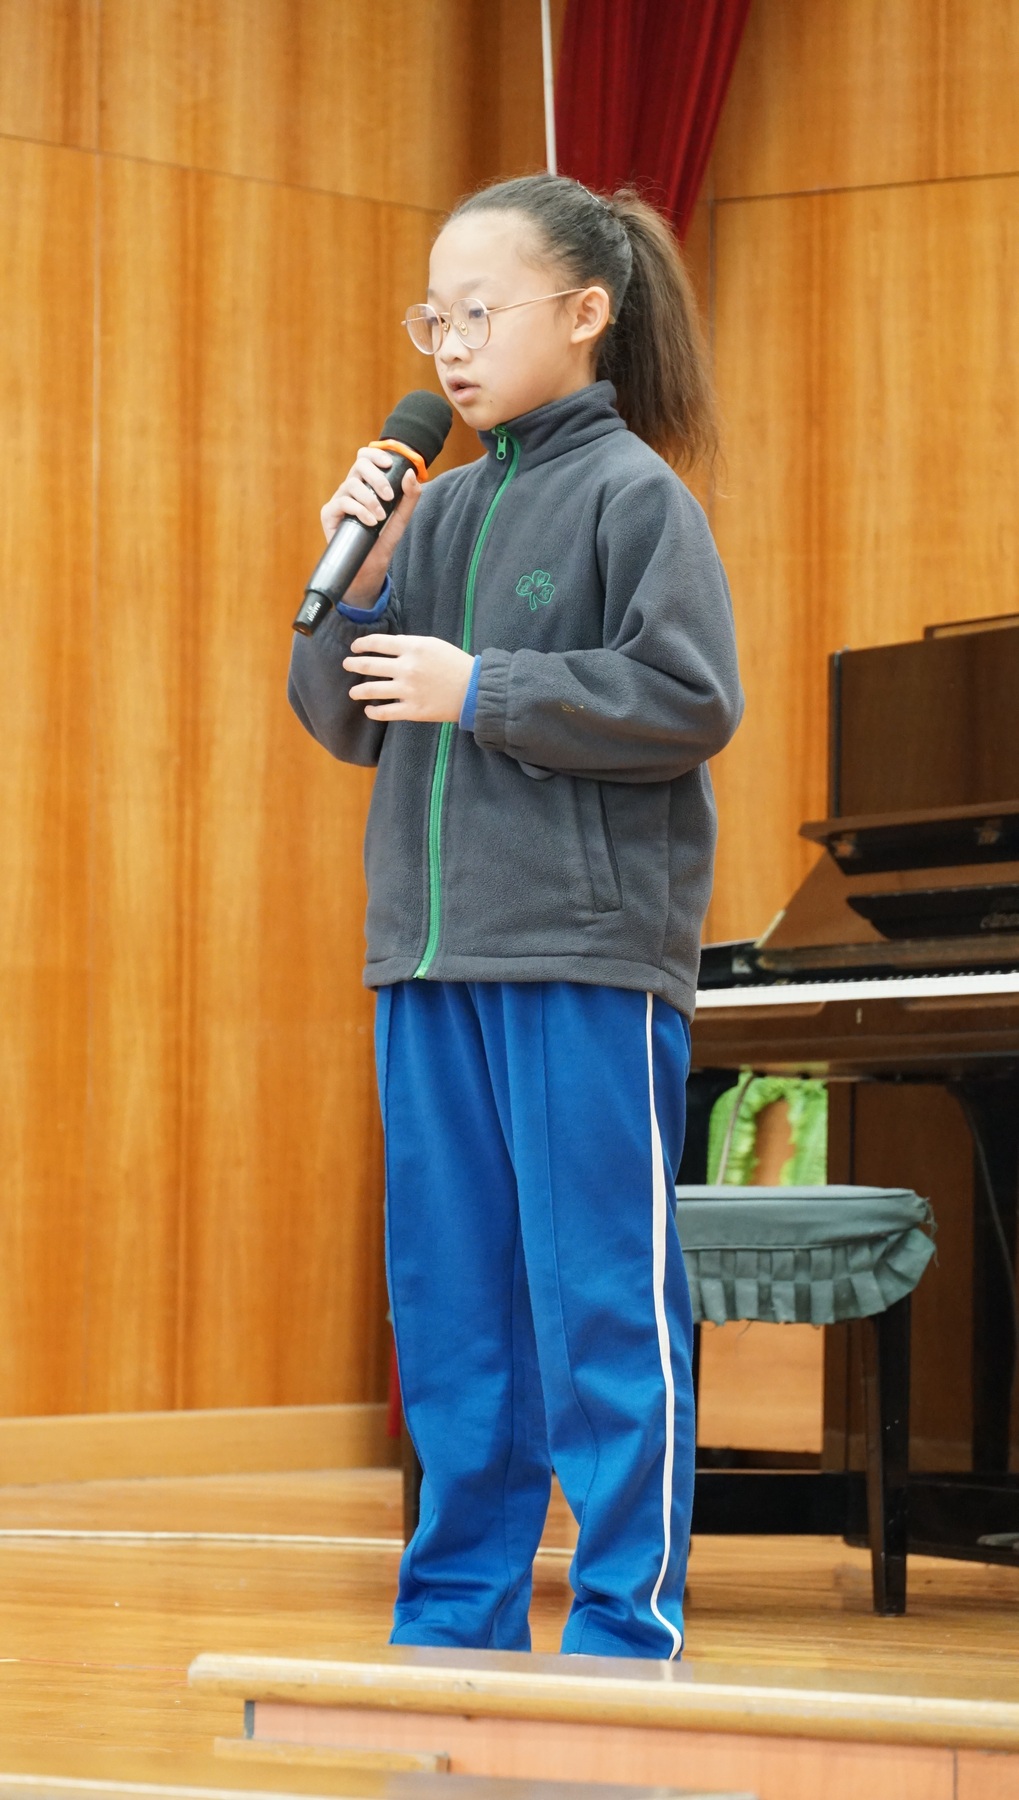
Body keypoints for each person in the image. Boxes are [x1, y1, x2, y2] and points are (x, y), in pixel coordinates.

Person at [288, 173, 743, 1660]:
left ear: (587, 313)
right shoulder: (438, 509)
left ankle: (625, 1628)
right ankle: (451, 1628)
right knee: (453, 1317)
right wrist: (360, 574)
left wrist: (483, 687)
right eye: (435, 321)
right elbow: (343, 718)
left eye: (479, 314)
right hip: (429, 962)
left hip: (581, 958)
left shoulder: (634, 495)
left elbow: (688, 699)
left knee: (602, 1303)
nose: (452, 349)